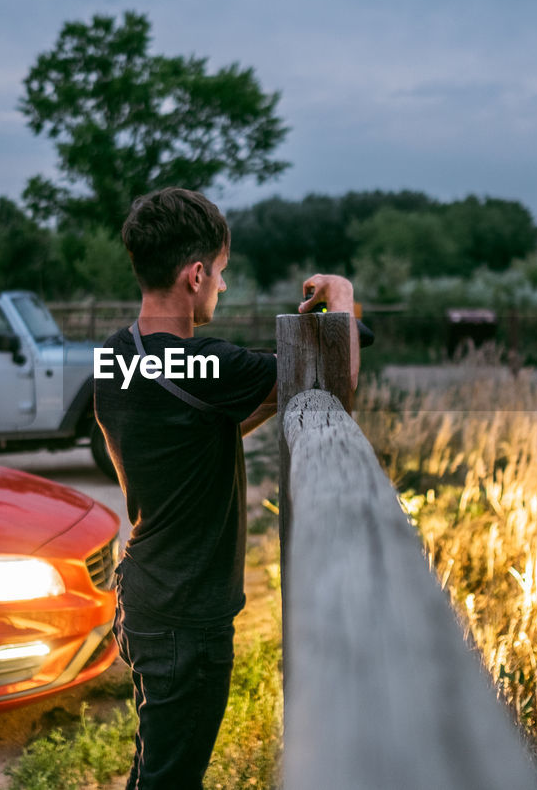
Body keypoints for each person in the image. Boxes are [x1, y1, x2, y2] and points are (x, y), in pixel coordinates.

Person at [94, 187, 356, 789]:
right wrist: (340, 295)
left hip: (148, 595)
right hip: (187, 616)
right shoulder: (205, 364)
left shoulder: (117, 356)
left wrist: (267, 392)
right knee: (171, 778)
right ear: (194, 274)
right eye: (220, 273)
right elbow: (339, 379)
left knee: (156, 764)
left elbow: (202, 428)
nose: (223, 286)